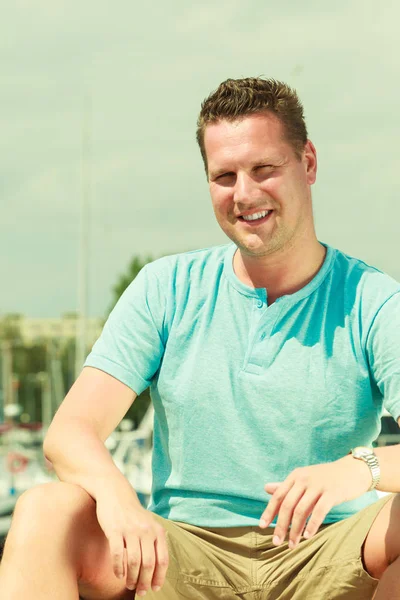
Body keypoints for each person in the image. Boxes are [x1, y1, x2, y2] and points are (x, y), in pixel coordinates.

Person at [1, 77, 400, 600]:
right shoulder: (165, 288)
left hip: (328, 553)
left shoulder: (374, 301)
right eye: (224, 176)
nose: (245, 194)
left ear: (308, 163)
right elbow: (69, 432)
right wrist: (118, 499)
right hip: (183, 554)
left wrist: (359, 469)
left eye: (264, 169)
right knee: (45, 510)